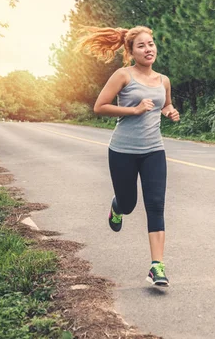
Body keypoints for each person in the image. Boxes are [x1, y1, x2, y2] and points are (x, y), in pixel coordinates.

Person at [76, 26, 180, 287]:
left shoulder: (163, 80)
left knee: (156, 205)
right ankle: (117, 206)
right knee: (129, 203)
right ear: (131, 51)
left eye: (151, 44)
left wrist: (170, 111)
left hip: (154, 150)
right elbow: (100, 106)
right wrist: (133, 111)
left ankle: (157, 267)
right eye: (142, 46)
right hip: (122, 150)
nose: (149, 49)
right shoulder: (123, 75)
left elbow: (165, 103)